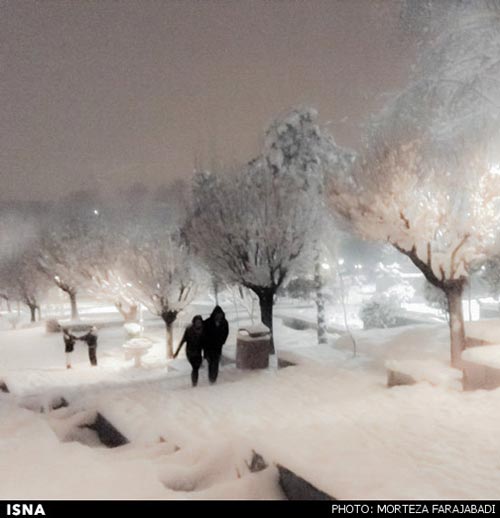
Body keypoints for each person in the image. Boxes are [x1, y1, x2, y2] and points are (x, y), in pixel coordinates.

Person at [173, 315, 204, 387]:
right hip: (190, 352)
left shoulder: (203, 330)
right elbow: (182, 341)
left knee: (197, 367)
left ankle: (194, 382)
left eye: (200, 322)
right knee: (195, 367)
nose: (198, 324)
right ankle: (194, 383)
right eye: (197, 322)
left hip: (198, 352)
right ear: (194, 322)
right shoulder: (189, 330)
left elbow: (206, 342)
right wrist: (176, 352)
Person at [203, 306, 229, 384]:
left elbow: (226, 333)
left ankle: (214, 378)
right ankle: (211, 377)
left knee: (216, 362)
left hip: (218, 346)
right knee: (211, 362)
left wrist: (222, 341)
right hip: (209, 346)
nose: (219, 316)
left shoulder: (224, 323)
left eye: (220, 314)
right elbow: (204, 333)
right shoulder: (208, 322)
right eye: (217, 314)